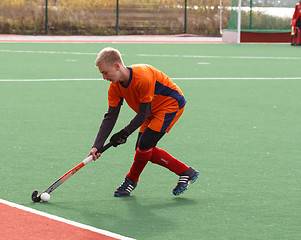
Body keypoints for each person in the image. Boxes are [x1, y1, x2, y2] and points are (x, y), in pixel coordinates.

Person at [87, 47, 199, 197]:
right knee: (143, 150)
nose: (104, 77)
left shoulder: (142, 76)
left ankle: (131, 181)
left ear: (117, 66)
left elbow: (143, 113)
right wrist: (97, 145)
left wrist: (124, 133)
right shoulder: (114, 88)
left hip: (169, 105)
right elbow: (110, 117)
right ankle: (186, 172)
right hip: (149, 110)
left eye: (105, 72)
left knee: (145, 145)